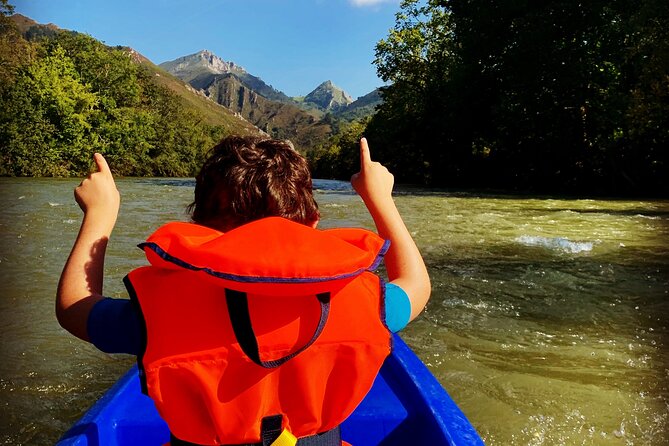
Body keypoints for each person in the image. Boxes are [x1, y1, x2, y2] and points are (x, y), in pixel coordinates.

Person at [57, 136, 431, 446]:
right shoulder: (370, 300)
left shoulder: (156, 313)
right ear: (313, 223)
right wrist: (380, 197)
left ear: (199, 225)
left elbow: (75, 307)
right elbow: (416, 285)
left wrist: (100, 215)